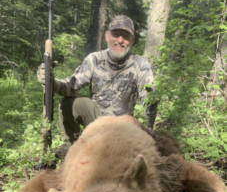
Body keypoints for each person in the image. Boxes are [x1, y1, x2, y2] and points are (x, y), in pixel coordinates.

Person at [37, 15, 157, 158]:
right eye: (116, 34)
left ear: (132, 40)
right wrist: (51, 80)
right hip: (96, 120)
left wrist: (148, 132)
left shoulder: (140, 64)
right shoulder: (94, 59)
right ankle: (71, 147)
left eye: (125, 36)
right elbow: (70, 86)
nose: (120, 40)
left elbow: (149, 97)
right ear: (107, 36)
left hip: (123, 127)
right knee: (68, 103)